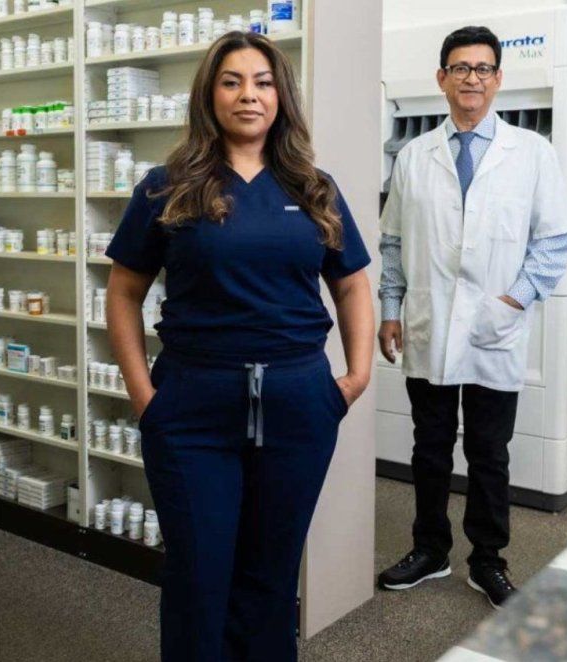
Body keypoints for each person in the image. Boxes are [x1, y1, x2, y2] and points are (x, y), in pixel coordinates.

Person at [105, 31, 374, 662]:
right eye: (231, 81)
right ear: (210, 94)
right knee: (199, 574)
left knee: (272, 573)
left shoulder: (313, 187)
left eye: (261, 81)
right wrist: (147, 397)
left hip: (297, 402)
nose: (247, 95)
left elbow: (352, 284)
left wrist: (356, 375)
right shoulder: (166, 185)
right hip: (193, 405)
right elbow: (123, 294)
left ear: (281, 95)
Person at [375, 26, 567, 609]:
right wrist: (391, 311)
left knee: (490, 451)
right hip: (427, 324)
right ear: (442, 78)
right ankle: (430, 550)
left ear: (498, 80)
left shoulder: (532, 153)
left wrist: (514, 299)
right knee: (430, 446)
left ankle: (487, 560)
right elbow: (392, 244)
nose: (472, 79)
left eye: (483, 69)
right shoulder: (413, 156)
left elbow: (555, 241)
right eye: (460, 68)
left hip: (496, 328)